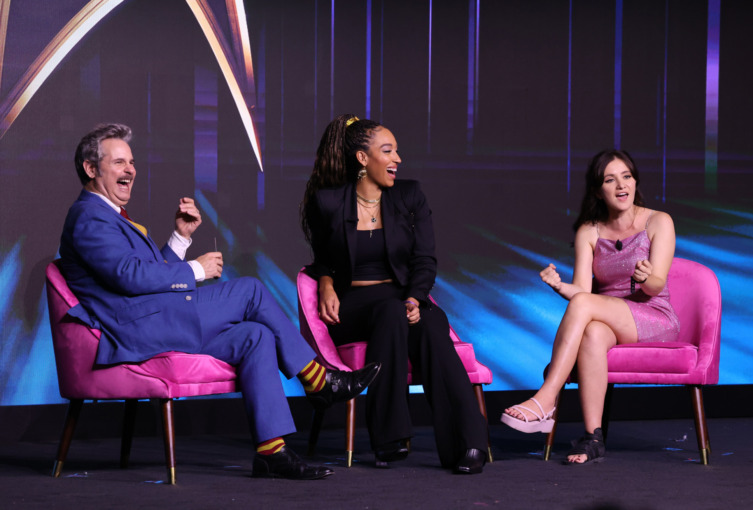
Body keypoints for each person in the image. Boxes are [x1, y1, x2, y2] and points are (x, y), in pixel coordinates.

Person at [59, 123, 381, 480]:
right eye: (119, 162)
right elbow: (129, 277)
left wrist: (180, 239)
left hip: (157, 320)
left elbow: (145, 273)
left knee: (255, 335)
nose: (130, 170)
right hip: (136, 329)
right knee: (250, 291)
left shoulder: (110, 215)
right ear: (91, 169)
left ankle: (271, 451)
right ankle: (318, 380)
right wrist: (195, 269)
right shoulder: (88, 216)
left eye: (131, 162)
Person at [300, 114, 489, 474]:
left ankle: (468, 444)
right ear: (362, 159)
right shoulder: (329, 202)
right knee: (389, 311)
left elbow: (425, 259)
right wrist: (325, 282)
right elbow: (322, 257)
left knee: (432, 327)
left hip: (404, 298)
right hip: (354, 307)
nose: (398, 159)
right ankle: (392, 436)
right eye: (388, 151)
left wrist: (416, 299)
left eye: (397, 151)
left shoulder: (409, 195)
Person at [500, 149, 680, 464]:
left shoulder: (658, 221)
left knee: (589, 311)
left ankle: (546, 396)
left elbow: (658, 285)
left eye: (627, 176)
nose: (621, 185)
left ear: (635, 181)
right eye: (610, 180)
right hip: (609, 318)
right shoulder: (589, 231)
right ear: (599, 190)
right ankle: (593, 437)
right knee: (593, 333)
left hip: (653, 317)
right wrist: (559, 286)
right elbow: (582, 292)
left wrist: (647, 277)